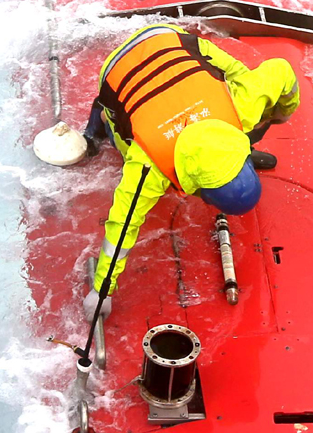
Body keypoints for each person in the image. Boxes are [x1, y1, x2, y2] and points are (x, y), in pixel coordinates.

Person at [78, 23, 300, 319]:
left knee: (239, 81)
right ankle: (100, 119)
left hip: (174, 42)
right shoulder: (148, 164)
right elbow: (122, 226)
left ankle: (241, 140)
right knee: (121, 136)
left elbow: (282, 70)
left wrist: (280, 113)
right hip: (120, 67)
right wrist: (102, 290)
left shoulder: (241, 107)